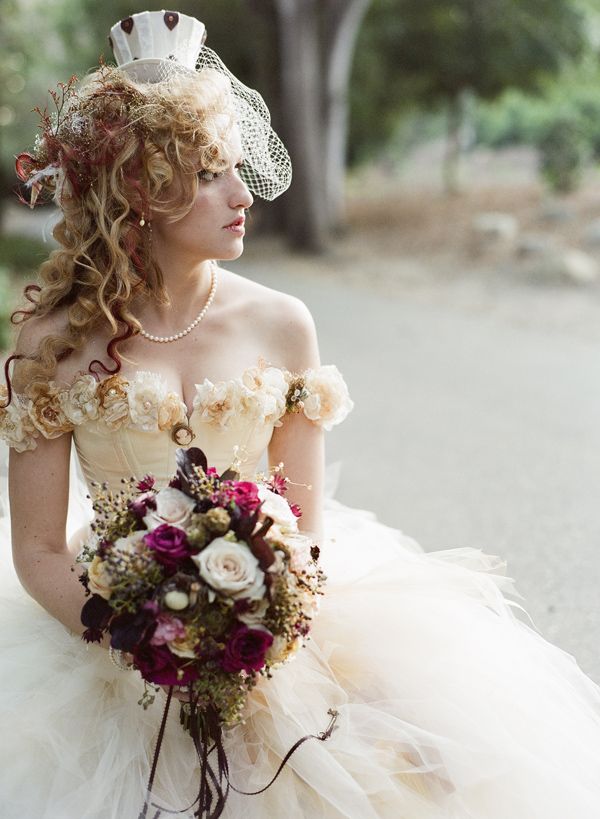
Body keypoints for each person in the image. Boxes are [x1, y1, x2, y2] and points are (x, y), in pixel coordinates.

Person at [1, 10, 600, 819]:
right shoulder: (53, 340)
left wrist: (250, 619)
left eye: (239, 169)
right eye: (214, 173)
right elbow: (38, 549)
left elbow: (304, 519)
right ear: (143, 189)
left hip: (272, 620)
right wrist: (140, 636)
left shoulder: (283, 322)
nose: (244, 195)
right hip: (105, 637)